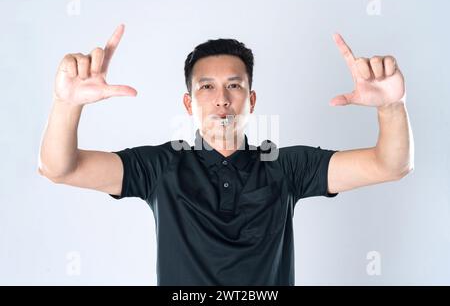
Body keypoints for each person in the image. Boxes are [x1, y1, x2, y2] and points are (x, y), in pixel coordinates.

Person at [38, 24, 414, 285]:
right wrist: (65, 104)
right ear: (188, 103)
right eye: (206, 87)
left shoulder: (285, 166)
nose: (221, 99)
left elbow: (391, 165)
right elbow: (58, 168)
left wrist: (392, 106)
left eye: (234, 86)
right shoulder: (159, 167)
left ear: (251, 101)